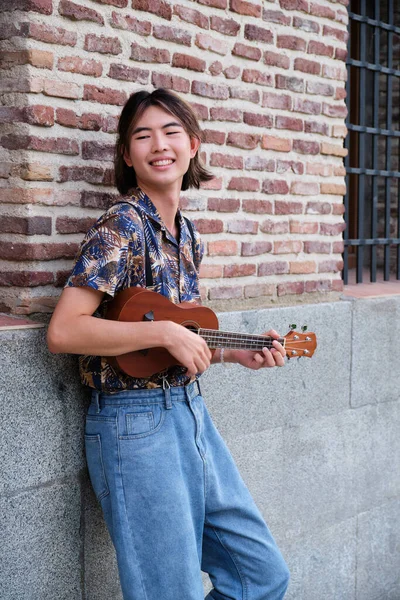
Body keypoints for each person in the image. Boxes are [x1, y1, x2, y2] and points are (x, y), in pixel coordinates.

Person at [47, 88, 290, 600]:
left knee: (261, 575)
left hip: (189, 413)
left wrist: (231, 353)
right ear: (126, 154)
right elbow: (65, 331)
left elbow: (179, 338)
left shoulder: (188, 234)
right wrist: (161, 331)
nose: (159, 144)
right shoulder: (122, 227)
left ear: (194, 145)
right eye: (142, 135)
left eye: (171, 131)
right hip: (133, 425)